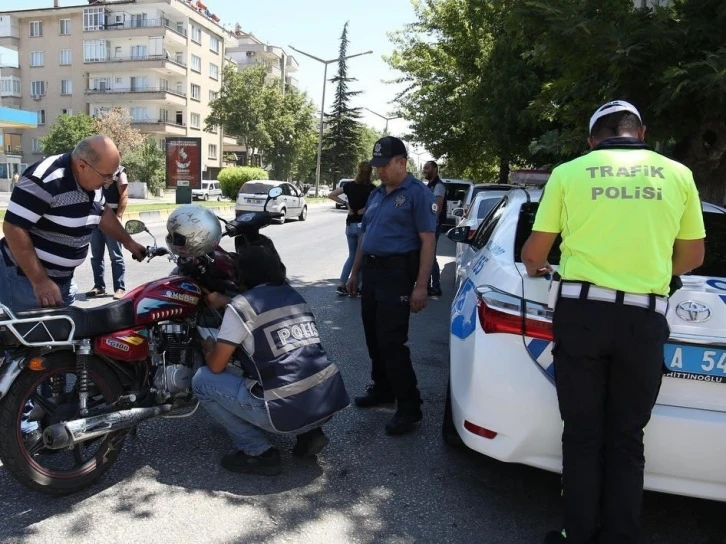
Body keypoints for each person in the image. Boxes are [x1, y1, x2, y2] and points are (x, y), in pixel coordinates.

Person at [521, 100, 706, 544]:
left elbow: (534, 255)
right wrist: (650, 271)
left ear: (592, 140)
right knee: (627, 436)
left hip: (582, 316)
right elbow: (693, 257)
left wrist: (537, 267)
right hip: (643, 320)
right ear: (641, 133)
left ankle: (577, 535)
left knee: (583, 435)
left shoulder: (570, 172)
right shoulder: (678, 173)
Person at [192, 245, 350, 475]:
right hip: (325, 400)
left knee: (202, 380)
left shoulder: (241, 307)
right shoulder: (293, 295)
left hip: (284, 410)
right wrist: (228, 302)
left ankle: (257, 452)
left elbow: (216, 366)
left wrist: (209, 348)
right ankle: (310, 432)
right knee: (288, 360)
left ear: (242, 275)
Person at [346, 136, 437, 436]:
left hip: (397, 273)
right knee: (373, 336)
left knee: (391, 342)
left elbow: (428, 241)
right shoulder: (376, 194)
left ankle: (410, 407)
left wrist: (421, 285)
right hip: (371, 272)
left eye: (385, 165)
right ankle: (382, 389)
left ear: (402, 162)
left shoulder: (418, 194)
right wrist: (354, 273)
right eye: (376, 166)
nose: (380, 171)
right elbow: (364, 236)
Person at [0, 135, 146, 313]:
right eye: (106, 176)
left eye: (112, 176)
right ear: (82, 165)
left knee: (64, 336)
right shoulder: (44, 179)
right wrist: (40, 281)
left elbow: (102, 212)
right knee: (28, 338)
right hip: (25, 280)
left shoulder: (91, 181)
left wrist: (128, 242)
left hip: (62, 280)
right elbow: (13, 227)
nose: (108, 183)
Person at [328, 161, 376, 296]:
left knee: (352, 256)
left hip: (350, 225)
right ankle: (357, 287)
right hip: (363, 226)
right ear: (370, 172)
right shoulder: (372, 189)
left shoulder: (349, 186)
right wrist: (365, 209)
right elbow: (378, 204)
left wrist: (346, 204)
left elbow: (331, 194)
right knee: (362, 257)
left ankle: (342, 284)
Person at [87, 164, 129, 300]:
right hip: (96, 220)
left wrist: (118, 216)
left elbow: (124, 194)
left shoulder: (119, 173)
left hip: (111, 221)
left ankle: (119, 288)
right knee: (96, 256)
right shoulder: (96, 171)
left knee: (116, 256)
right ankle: (99, 286)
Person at [422, 160, 446, 296]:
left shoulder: (439, 186)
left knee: (430, 255)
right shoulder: (430, 185)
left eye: (427, 168)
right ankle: (428, 284)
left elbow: (437, 206)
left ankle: (435, 286)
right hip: (429, 225)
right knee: (428, 255)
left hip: (433, 226)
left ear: (435, 169)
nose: (424, 170)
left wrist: (432, 224)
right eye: (424, 168)